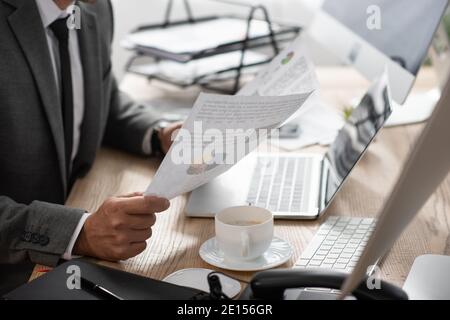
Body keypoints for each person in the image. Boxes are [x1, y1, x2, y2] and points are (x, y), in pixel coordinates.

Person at [0, 0, 181, 269]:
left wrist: (159, 134)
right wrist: (79, 232)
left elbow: (100, 98)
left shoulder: (94, 7)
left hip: (77, 232)